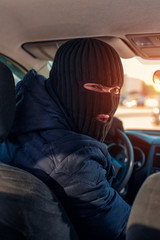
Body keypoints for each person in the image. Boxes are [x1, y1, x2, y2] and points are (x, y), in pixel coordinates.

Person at [0, 38, 130, 240]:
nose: (107, 101)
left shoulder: (17, 122)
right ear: (66, 84)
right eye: (94, 87)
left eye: (115, 90)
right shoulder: (72, 160)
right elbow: (126, 230)